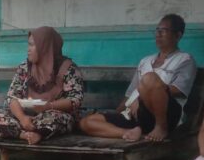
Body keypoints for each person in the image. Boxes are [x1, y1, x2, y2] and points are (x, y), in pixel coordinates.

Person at [79, 14, 196, 143]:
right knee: (87, 122)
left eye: (163, 31)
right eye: (157, 31)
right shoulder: (145, 61)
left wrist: (141, 98)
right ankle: (129, 133)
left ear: (178, 35)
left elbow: (178, 89)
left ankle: (160, 128)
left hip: (163, 114)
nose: (158, 34)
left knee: (149, 78)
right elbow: (129, 95)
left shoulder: (185, 59)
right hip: (136, 115)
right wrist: (117, 113)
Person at [0, 26, 84, 145]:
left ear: (45, 47)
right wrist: (22, 118)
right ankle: (25, 134)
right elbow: (12, 98)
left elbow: (75, 100)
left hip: (52, 115)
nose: (28, 49)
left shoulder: (68, 69)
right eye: (28, 45)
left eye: (32, 45)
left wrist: (48, 106)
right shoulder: (24, 67)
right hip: (27, 116)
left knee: (56, 119)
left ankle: (20, 132)